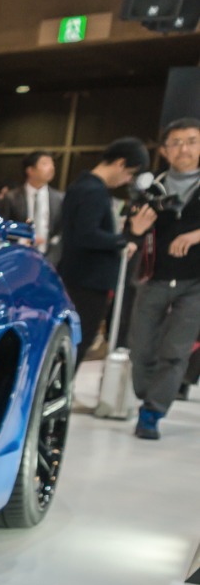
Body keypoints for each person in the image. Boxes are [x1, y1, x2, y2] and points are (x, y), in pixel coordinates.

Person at [56, 137, 157, 369]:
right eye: (130, 173)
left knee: (71, 343)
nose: (128, 180)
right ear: (120, 163)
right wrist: (125, 238)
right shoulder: (93, 191)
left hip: (76, 276)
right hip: (87, 281)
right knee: (78, 343)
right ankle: (62, 387)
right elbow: (86, 235)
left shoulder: (81, 186)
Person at [127, 118, 200, 439]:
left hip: (195, 282)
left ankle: (152, 412)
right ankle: (147, 393)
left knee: (175, 351)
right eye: (176, 142)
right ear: (165, 150)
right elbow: (129, 229)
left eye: (192, 141)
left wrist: (196, 235)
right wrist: (136, 229)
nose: (184, 149)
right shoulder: (149, 187)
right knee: (140, 349)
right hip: (152, 277)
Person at [0, 151, 63, 264]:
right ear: (30, 170)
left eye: (52, 164)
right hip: (18, 256)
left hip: (48, 259)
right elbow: (3, 228)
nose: (51, 168)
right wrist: (22, 240)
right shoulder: (12, 197)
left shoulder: (59, 198)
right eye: (45, 164)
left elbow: (61, 231)